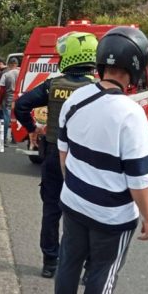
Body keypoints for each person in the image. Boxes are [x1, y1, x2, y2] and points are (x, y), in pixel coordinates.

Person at [55, 27, 148, 294]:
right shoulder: (131, 114)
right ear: (135, 67)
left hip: (74, 203)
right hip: (111, 217)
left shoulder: (75, 100)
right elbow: (138, 181)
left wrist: (77, 188)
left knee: (68, 264)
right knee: (104, 272)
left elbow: (63, 154)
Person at [14, 32, 98, 279]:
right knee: (89, 213)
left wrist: (32, 129)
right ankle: (89, 267)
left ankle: (51, 262)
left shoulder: (53, 86)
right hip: (87, 162)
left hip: (53, 155)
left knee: (51, 210)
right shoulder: (97, 90)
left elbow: (21, 105)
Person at [0, 57, 19, 144]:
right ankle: (15, 138)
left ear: (9, 65)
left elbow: (1, 89)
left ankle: (4, 139)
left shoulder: (6, 75)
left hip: (8, 98)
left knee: (6, 118)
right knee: (15, 118)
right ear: (16, 64)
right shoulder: (21, 74)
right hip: (18, 99)